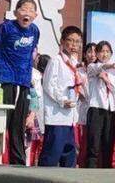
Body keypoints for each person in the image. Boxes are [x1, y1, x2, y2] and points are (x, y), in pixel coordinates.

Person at [0, 0, 40, 165]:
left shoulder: (35, 30)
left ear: (35, 15)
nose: (27, 13)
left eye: (31, 10)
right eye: (23, 9)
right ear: (15, 13)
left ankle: (18, 162)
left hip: (24, 82)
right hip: (4, 80)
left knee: (18, 124)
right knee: (1, 121)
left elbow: (32, 53)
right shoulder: (6, 27)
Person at [38, 26, 83, 167]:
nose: (74, 45)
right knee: (53, 152)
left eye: (77, 41)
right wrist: (62, 100)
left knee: (69, 153)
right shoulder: (56, 61)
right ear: (62, 41)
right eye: (70, 40)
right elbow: (48, 85)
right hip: (56, 116)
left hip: (70, 117)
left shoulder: (76, 64)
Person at [85, 40, 115, 169]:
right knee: (93, 145)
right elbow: (98, 68)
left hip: (110, 111)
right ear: (97, 54)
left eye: (107, 51)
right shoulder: (92, 67)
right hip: (96, 109)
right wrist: (108, 67)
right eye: (102, 51)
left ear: (111, 53)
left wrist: (106, 80)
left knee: (108, 145)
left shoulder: (114, 72)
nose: (104, 54)